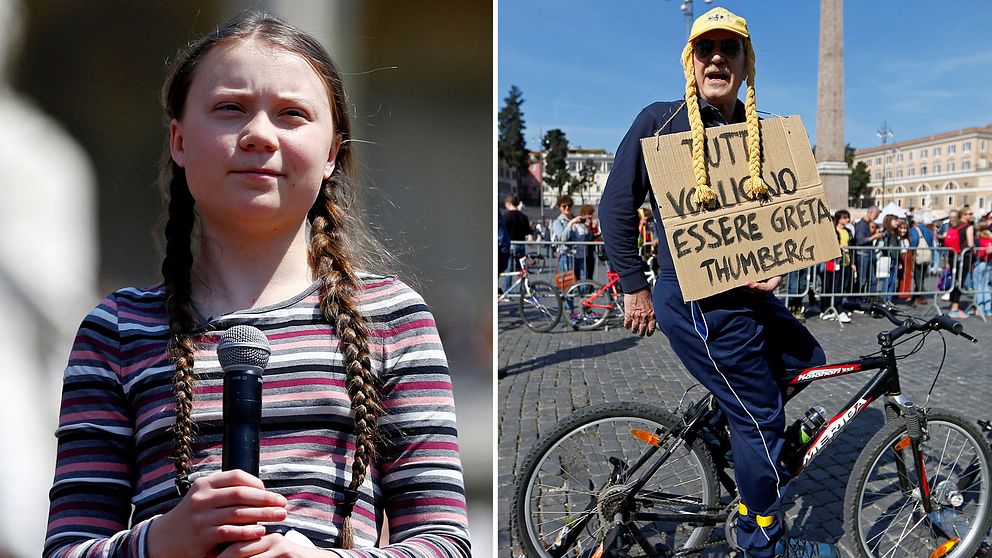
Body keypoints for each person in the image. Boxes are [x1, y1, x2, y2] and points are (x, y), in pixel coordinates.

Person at [45, 12, 470, 557]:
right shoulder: (116, 330)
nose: (259, 136)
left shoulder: (393, 317)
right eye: (230, 109)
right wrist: (162, 540)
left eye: (292, 115)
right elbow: (66, 548)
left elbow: (446, 543)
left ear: (331, 153)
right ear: (179, 139)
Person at [598, 7, 835, 557]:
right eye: (707, 49)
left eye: (730, 49)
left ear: (746, 63)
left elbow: (784, 219)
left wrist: (779, 261)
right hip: (700, 302)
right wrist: (633, 285)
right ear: (691, 60)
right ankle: (762, 542)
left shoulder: (767, 133)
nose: (717, 58)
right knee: (762, 420)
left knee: (806, 355)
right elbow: (615, 205)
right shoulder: (660, 121)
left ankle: (726, 435)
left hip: (749, 298)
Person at [820, 210, 853, 323]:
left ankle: (838, 306)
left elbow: (852, 246)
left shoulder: (848, 231)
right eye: (844, 217)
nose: (847, 220)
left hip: (846, 262)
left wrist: (853, 263)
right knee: (829, 285)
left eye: (848, 217)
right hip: (833, 262)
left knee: (841, 286)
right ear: (839, 219)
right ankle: (826, 308)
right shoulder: (834, 230)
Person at [948, 207, 976, 318]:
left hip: (954, 256)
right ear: (963, 215)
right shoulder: (968, 227)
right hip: (964, 257)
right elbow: (970, 244)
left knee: (955, 281)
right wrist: (974, 248)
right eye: (969, 214)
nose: (971, 215)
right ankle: (955, 308)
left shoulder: (955, 226)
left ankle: (953, 306)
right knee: (960, 282)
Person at [852, 206, 884, 300]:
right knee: (862, 280)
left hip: (869, 254)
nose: (877, 217)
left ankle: (871, 300)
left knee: (872, 279)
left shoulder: (868, 224)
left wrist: (874, 233)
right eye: (876, 215)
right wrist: (875, 236)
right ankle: (857, 300)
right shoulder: (861, 224)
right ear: (871, 212)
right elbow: (861, 240)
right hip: (862, 254)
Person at [501, 194, 531, 291]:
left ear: (508, 203)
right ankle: (523, 289)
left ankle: (507, 291)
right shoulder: (524, 216)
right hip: (521, 244)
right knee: (521, 269)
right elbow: (528, 233)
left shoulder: (505, 217)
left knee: (508, 269)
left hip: (510, 244)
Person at [908, 217, 934, 304]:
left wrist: (912, 250)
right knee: (921, 277)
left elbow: (914, 240)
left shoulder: (915, 230)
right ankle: (916, 296)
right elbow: (930, 242)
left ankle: (921, 295)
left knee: (917, 276)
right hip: (926, 255)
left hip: (918, 255)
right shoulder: (928, 230)